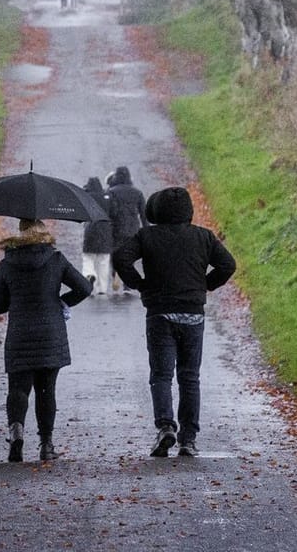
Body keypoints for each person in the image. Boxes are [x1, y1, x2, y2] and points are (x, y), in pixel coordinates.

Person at [112, 187, 237, 459]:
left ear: (157, 211)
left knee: (161, 375)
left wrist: (140, 284)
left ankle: (166, 425)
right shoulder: (203, 237)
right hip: (193, 314)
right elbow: (228, 265)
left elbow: (121, 257)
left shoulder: (147, 236)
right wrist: (204, 286)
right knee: (189, 377)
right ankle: (188, 439)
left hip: (159, 313)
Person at [0, 218, 92, 463]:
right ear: (44, 233)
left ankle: (16, 434)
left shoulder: (7, 263)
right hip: (50, 333)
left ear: (21, 233)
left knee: (17, 388)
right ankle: (46, 445)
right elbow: (84, 288)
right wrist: (62, 301)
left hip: (20, 333)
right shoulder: (55, 259)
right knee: (47, 391)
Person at [102, 165, 146, 294]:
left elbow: (108, 212)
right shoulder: (137, 193)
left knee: (114, 255)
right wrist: (147, 231)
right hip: (133, 230)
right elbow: (143, 214)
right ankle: (127, 284)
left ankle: (116, 275)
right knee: (129, 256)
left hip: (115, 230)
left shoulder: (111, 192)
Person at [81, 176, 115, 291]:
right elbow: (114, 212)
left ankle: (89, 276)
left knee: (88, 257)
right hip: (105, 230)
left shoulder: (88, 197)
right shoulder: (108, 197)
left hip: (91, 229)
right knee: (104, 260)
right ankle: (102, 289)